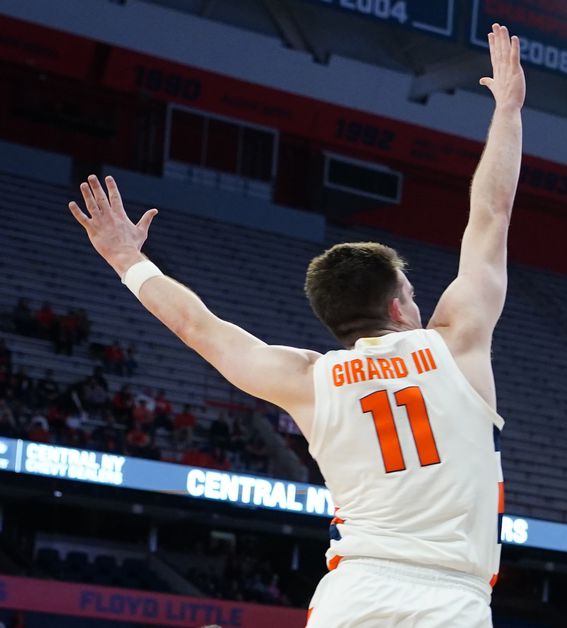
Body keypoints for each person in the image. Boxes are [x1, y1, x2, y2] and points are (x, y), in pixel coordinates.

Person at [67, 22, 524, 627]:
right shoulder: (457, 340)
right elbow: (490, 214)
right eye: (411, 293)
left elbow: (201, 328)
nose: (418, 304)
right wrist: (509, 112)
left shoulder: (311, 379)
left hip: (357, 590)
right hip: (451, 598)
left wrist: (128, 258)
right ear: (397, 307)